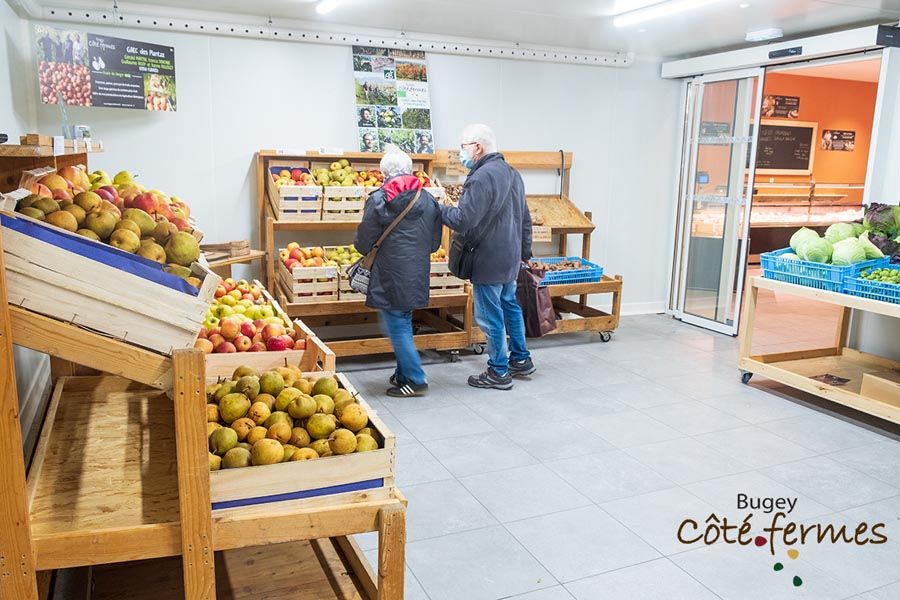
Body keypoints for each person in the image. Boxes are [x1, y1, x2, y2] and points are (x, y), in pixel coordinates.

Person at [440, 124, 534, 390]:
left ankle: (498, 371)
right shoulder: (513, 174)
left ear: (477, 147)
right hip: (510, 257)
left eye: (463, 147)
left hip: (488, 259)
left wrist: (439, 208)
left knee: (490, 315)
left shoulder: (481, 177)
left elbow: (463, 219)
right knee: (509, 306)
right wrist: (524, 253)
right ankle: (520, 359)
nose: (461, 153)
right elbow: (525, 219)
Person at [355, 145, 442, 397]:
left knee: (397, 325)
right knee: (402, 320)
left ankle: (415, 379)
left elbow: (363, 242)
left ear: (385, 173)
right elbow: (434, 243)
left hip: (389, 273)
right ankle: (403, 375)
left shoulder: (380, 199)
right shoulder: (427, 199)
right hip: (416, 271)